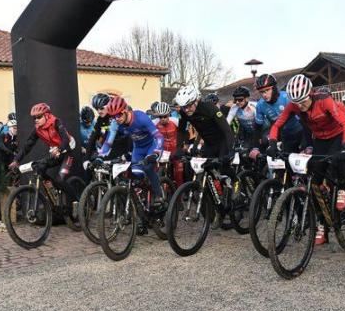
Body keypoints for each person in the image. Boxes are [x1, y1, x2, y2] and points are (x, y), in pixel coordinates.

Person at [267, 75, 345, 245]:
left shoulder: (324, 100)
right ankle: (322, 224)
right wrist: (271, 143)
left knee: (337, 160)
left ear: (311, 94)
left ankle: (343, 188)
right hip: (319, 140)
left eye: (303, 101)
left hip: (337, 135)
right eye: (296, 102)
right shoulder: (293, 105)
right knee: (314, 183)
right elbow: (277, 125)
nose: (300, 106)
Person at [99, 97, 164, 234]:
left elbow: (159, 136)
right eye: (113, 116)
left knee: (147, 167)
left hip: (152, 146)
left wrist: (156, 153)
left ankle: (159, 196)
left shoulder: (140, 117)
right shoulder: (116, 123)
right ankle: (142, 214)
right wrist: (100, 157)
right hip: (138, 149)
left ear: (126, 110)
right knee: (135, 178)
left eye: (119, 115)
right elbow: (109, 142)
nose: (117, 118)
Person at [9, 103, 79, 206]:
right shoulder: (38, 129)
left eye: (39, 117)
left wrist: (59, 149)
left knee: (60, 180)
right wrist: (16, 160)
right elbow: (27, 146)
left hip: (67, 152)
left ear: (46, 115)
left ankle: (76, 202)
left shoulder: (56, 122)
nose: (36, 120)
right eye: (34, 118)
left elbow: (65, 139)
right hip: (55, 154)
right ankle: (53, 190)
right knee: (39, 168)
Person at [174, 85, 235, 164]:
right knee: (203, 167)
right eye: (183, 107)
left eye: (189, 106)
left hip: (223, 142)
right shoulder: (184, 112)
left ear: (196, 101)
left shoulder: (209, 108)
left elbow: (226, 129)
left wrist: (231, 149)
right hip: (208, 143)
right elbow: (181, 131)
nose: (186, 110)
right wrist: (179, 148)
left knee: (223, 168)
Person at [251, 74, 304, 158]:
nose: (264, 95)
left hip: (300, 131)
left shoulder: (286, 97)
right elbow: (257, 128)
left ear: (274, 88)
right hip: (285, 135)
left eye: (267, 90)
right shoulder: (260, 105)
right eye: (261, 92)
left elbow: (303, 118)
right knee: (288, 163)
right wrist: (255, 148)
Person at [86, 93, 130, 160]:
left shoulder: (118, 116)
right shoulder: (100, 119)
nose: (99, 111)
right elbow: (93, 137)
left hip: (122, 152)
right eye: (96, 108)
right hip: (107, 152)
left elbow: (129, 135)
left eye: (101, 108)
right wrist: (86, 158)